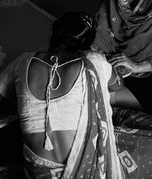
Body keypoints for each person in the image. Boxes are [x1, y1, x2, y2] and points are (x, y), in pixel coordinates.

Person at [0, 11, 123, 178]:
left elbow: (2, 96)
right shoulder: (95, 62)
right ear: (88, 44)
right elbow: (117, 86)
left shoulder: (23, 61)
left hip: (38, 168)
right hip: (82, 163)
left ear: (52, 33)